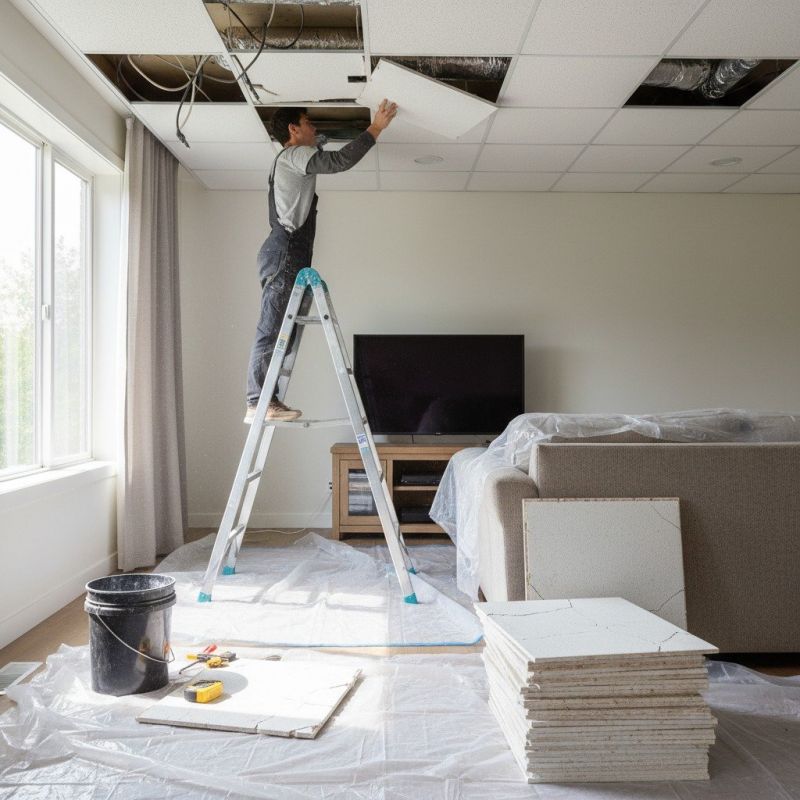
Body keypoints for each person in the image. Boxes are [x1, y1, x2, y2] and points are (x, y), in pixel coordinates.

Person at [245, 100, 398, 423]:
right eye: (309, 123)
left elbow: (323, 146)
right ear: (293, 129)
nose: (315, 129)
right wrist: (376, 127)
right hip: (286, 250)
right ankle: (258, 401)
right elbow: (340, 161)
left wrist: (321, 137)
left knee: (281, 333)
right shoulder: (293, 155)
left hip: (287, 252)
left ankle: (266, 399)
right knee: (273, 331)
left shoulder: (295, 157)